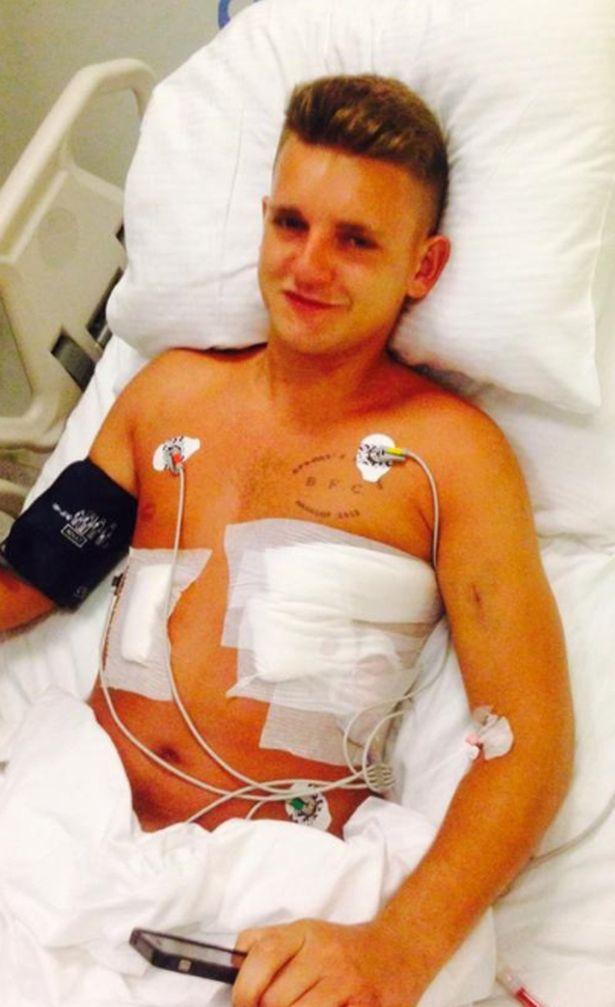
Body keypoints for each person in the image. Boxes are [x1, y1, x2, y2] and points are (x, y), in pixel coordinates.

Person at [0, 75, 573, 1007]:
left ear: (421, 267)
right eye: (291, 224)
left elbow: (529, 739)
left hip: (273, 897)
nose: (308, 265)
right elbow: (30, 577)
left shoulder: (452, 458)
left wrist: (397, 947)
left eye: (355, 240)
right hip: (65, 837)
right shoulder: (165, 397)